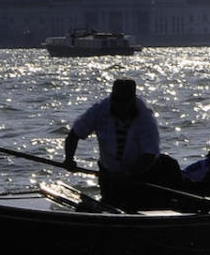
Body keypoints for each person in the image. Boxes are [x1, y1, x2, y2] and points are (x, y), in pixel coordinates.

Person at [63, 78, 163, 209]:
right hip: (108, 173)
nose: (120, 105)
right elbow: (74, 135)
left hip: (139, 175)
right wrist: (69, 159)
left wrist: (128, 175)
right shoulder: (99, 110)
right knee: (110, 204)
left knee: (135, 207)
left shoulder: (145, 117)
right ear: (111, 96)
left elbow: (150, 155)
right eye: (116, 99)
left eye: (125, 101)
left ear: (132, 99)